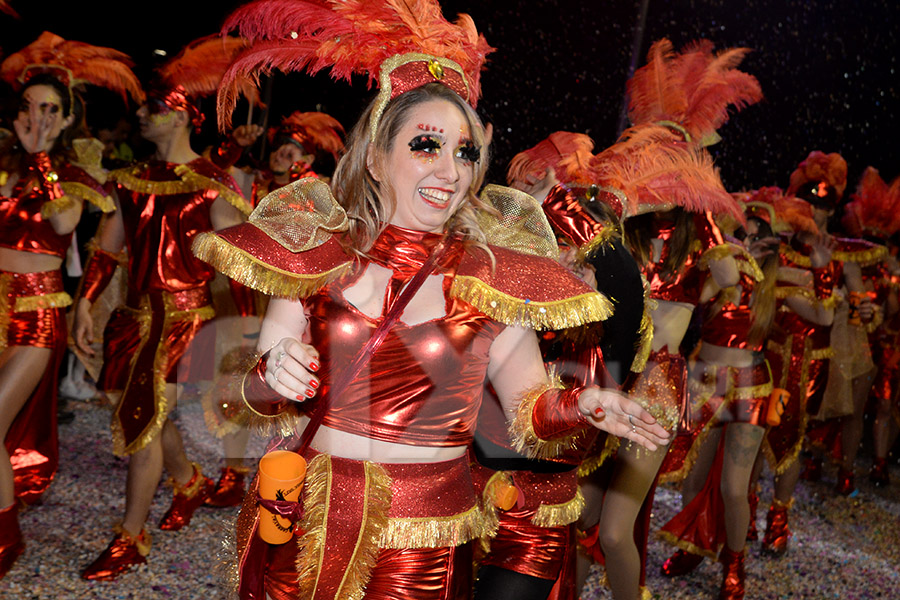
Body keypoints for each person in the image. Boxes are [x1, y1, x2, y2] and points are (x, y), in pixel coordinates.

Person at [199, 2, 670, 598]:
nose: (451, 169)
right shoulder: (315, 256)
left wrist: (586, 406)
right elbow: (254, 398)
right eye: (427, 144)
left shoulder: (493, 277)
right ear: (375, 157)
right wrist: (270, 374)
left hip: (418, 545)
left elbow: (528, 411)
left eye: (466, 152)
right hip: (299, 521)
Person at [73, 41, 253, 579]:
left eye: (153, 107)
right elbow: (108, 247)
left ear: (179, 114)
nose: (142, 114)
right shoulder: (129, 180)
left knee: (144, 424)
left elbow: (236, 265)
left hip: (180, 321)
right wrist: (85, 305)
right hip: (131, 319)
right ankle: (190, 482)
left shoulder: (208, 187)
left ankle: (131, 536)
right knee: (133, 409)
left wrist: (246, 340)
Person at [0, 32, 141, 578]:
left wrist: (41, 159)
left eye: (50, 109)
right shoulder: (4, 161)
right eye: (31, 106)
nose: (39, 116)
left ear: (65, 117)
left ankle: (6, 539)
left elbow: (62, 224)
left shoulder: (78, 168)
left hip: (37, 315)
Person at [201, 111, 345, 508]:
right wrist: (236, 151)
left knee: (289, 395)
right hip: (244, 303)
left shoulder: (322, 197)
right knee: (236, 382)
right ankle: (234, 471)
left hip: (296, 312)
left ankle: (278, 474)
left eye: (297, 149)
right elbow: (213, 193)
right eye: (284, 144)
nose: (287, 153)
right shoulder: (251, 182)